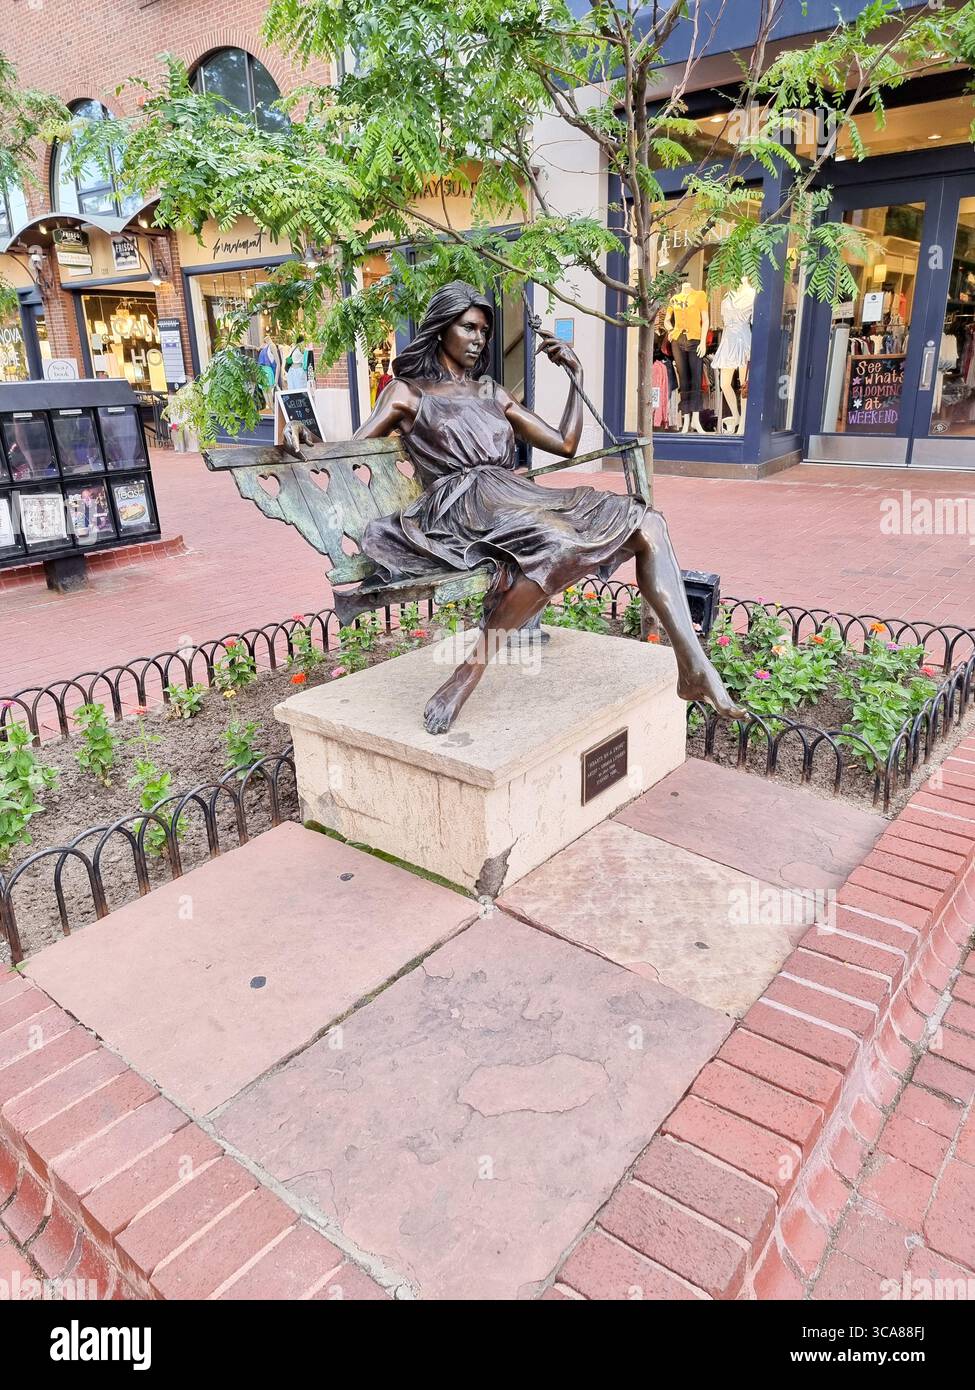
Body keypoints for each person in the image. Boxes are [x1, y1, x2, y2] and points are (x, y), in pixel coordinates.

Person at [352, 280, 744, 734]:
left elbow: (565, 443)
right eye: (469, 328)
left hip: (510, 496)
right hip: (459, 506)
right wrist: (300, 438)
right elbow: (349, 448)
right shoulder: (407, 392)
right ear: (441, 328)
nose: (479, 340)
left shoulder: (491, 393)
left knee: (648, 522)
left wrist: (574, 374)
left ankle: (693, 666)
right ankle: (471, 669)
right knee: (557, 542)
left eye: (485, 331)